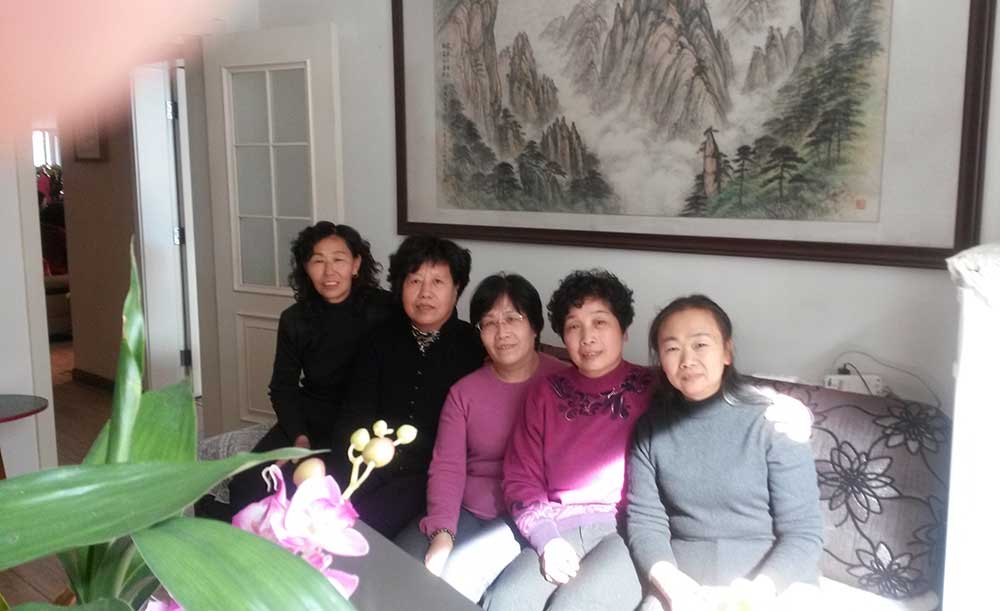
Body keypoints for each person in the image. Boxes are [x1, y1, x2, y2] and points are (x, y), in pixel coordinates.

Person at [626, 295, 823, 611]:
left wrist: (756, 594)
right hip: (684, 581)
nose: (687, 359)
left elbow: (804, 532)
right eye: (672, 348)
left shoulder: (775, 420)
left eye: (700, 344)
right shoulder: (650, 429)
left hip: (772, 580)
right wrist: (671, 584)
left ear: (727, 351)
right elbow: (645, 519)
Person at [482, 269, 649, 611]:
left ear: (624, 329)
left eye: (600, 322)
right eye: (574, 326)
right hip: (557, 526)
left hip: (626, 529)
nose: (587, 337)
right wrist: (548, 541)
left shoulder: (653, 389)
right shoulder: (545, 393)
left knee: (573, 605)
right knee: (504, 601)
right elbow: (520, 477)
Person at [394, 273, 567, 603]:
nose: (502, 333)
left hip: (527, 514)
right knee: (400, 569)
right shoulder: (465, 392)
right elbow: (447, 467)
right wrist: (443, 531)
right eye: (489, 323)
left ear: (535, 326)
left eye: (513, 319)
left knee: (453, 584)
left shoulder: (562, 382)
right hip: (468, 507)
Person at [227, 222, 393, 516]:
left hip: (362, 421)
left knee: (316, 492)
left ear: (356, 264)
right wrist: (299, 437)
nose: (329, 272)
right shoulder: (295, 319)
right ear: (306, 267)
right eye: (318, 261)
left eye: (339, 259)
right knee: (249, 483)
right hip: (311, 417)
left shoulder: (385, 309)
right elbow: (282, 387)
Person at [335, 235, 486, 538]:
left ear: (457, 289)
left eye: (438, 282)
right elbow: (355, 413)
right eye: (414, 281)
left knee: (362, 527)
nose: (425, 293)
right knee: (320, 510)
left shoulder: (474, 348)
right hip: (369, 460)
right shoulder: (378, 339)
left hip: (429, 474)